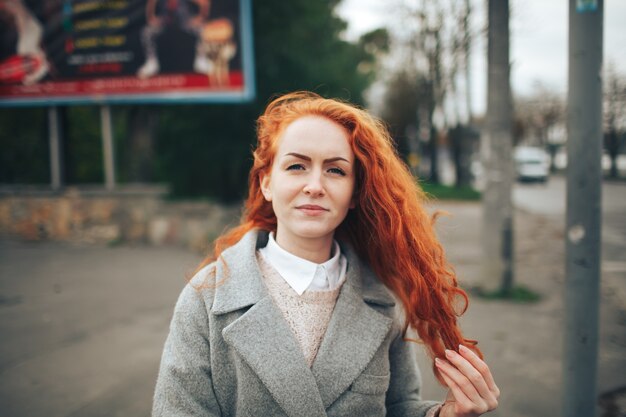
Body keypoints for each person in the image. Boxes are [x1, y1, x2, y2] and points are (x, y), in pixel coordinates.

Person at [152, 91, 500, 417]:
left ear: (354, 193)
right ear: (266, 183)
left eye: (335, 170)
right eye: (296, 166)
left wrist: (443, 414)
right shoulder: (207, 298)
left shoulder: (383, 300)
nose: (315, 186)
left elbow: (398, 406)